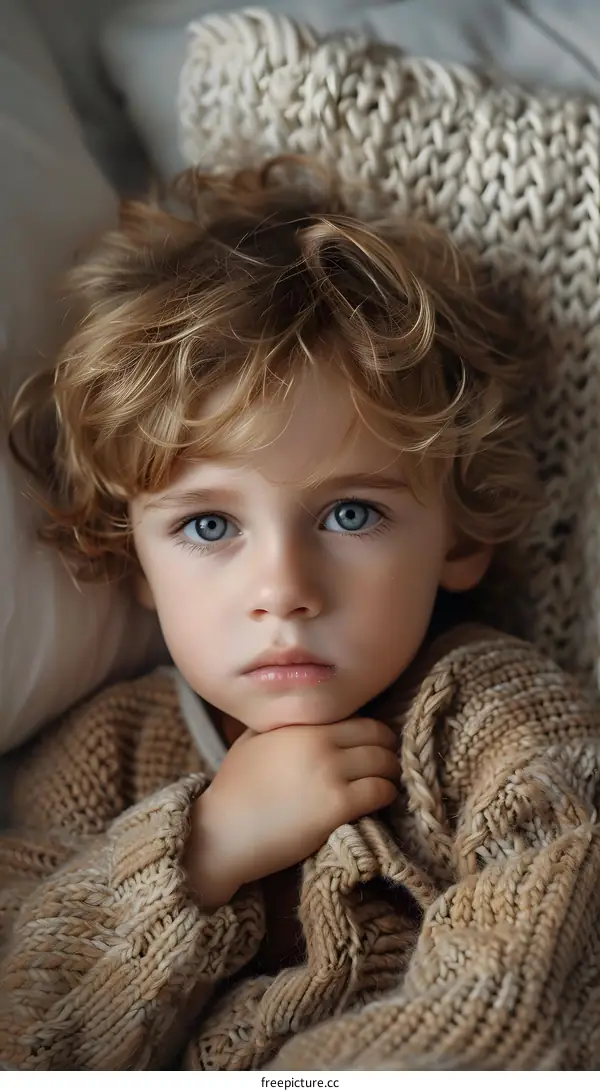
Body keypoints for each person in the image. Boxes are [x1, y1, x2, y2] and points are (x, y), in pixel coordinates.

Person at [2, 157, 600, 1072]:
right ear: (136, 562)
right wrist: (200, 852)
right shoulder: (101, 758)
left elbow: (526, 992)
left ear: (458, 536)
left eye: (350, 513)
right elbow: (27, 1032)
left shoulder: (493, 722)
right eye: (210, 524)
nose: (283, 587)